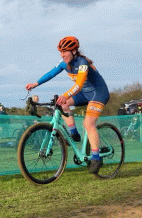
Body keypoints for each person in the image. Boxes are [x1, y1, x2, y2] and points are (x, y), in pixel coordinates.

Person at [26, 36, 110, 174]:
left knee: (88, 124)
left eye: (65, 51)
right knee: (62, 105)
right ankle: (74, 134)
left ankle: (96, 158)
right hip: (84, 93)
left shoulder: (82, 62)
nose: (62, 55)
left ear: (74, 51)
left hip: (98, 93)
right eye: (61, 52)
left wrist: (66, 95)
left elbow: (79, 84)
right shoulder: (65, 63)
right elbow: (51, 73)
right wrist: (36, 83)